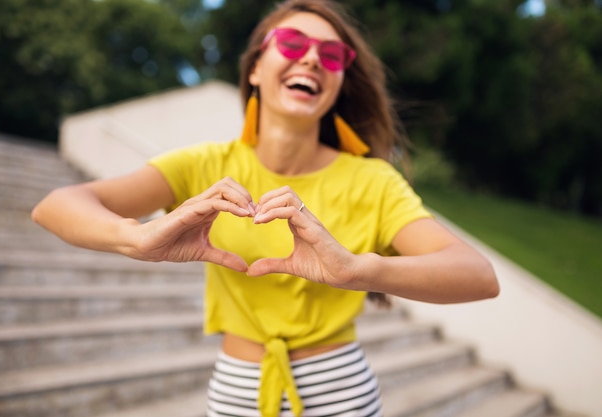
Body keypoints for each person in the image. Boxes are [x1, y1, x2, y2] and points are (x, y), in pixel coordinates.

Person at [32, 0, 500, 416]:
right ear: (255, 67)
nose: (313, 58)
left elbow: (478, 275)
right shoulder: (204, 165)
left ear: (338, 83)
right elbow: (57, 205)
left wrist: (356, 270)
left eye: (332, 55)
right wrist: (137, 238)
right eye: (293, 43)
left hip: (339, 391)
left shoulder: (373, 180)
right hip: (235, 387)